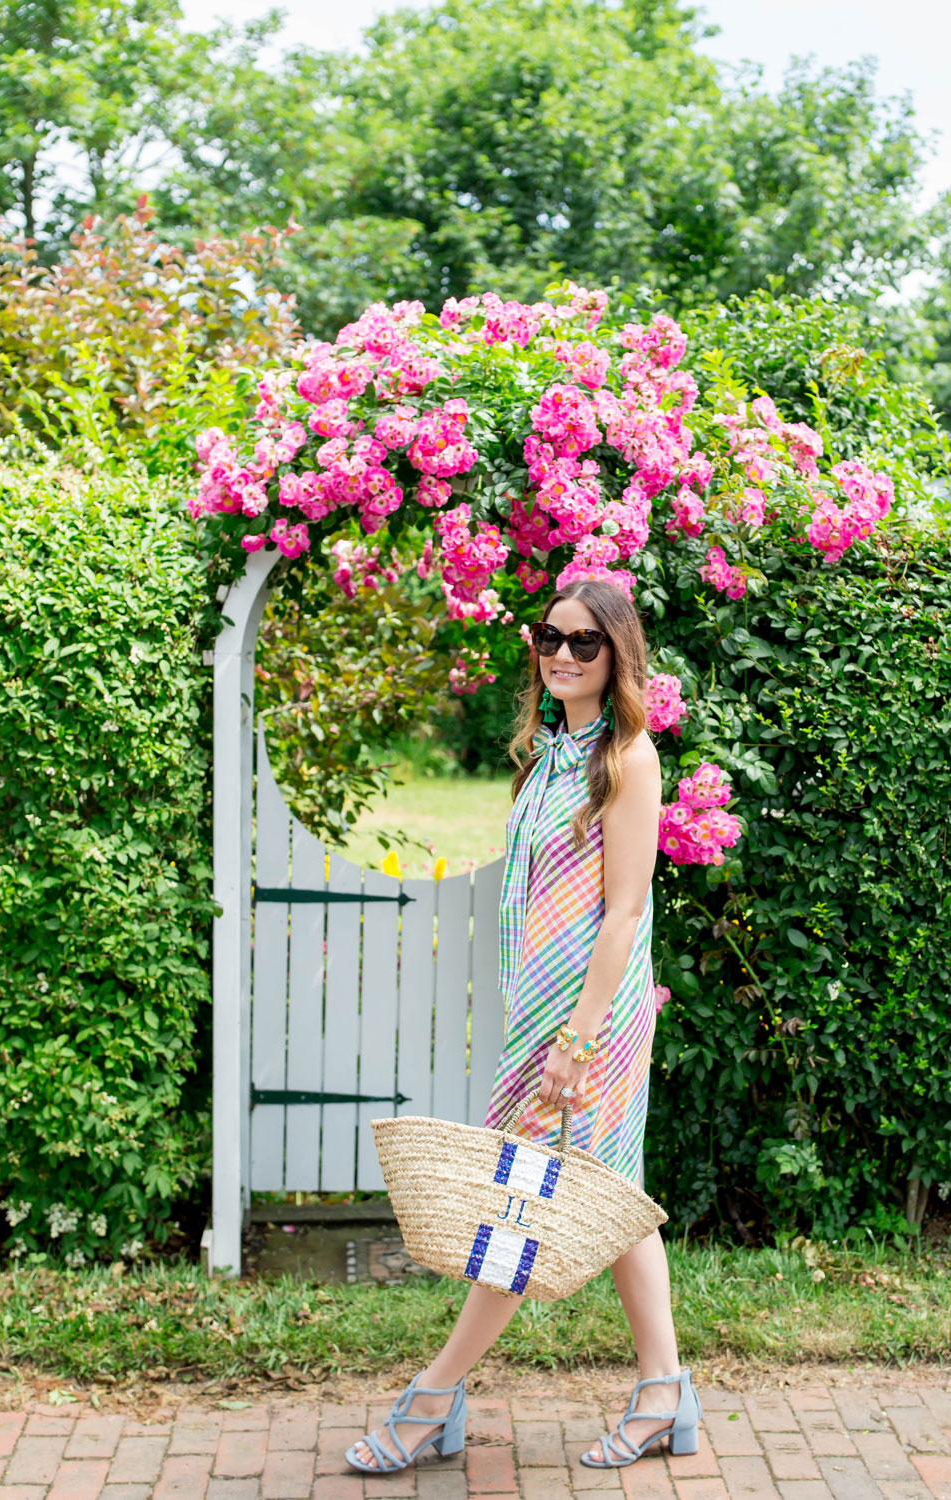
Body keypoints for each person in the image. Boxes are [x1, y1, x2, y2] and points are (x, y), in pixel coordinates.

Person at [347, 575, 703, 1476]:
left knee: (518, 1211)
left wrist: (576, 1044)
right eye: (552, 637)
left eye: (586, 643)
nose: (564, 655)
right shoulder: (549, 753)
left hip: (591, 1025)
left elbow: (623, 914)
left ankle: (432, 1398)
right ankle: (664, 1392)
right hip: (545, 1019)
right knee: (613, 1202)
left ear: (616, 655)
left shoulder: (628, 757)